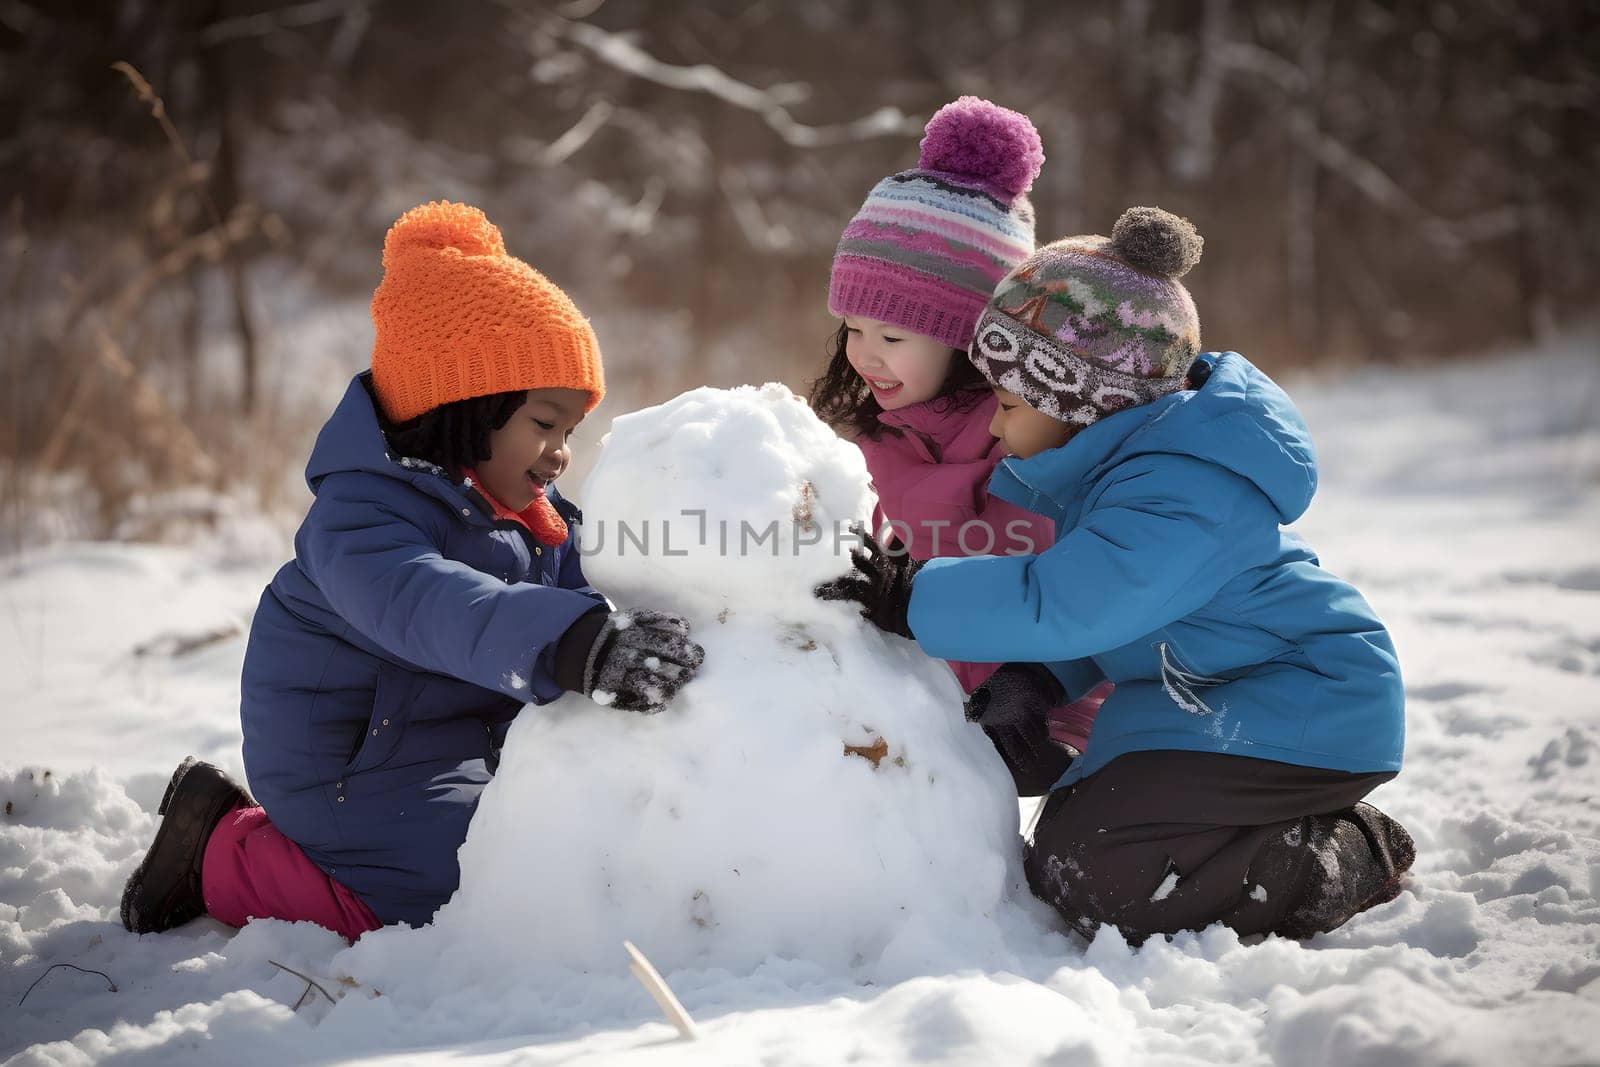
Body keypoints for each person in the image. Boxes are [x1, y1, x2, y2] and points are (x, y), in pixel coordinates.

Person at [817, 206, 1414, 942]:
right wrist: (1040, 681)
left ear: (1082, 402)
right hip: (1210, 693)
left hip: (1304, 706)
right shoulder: (1126, 471)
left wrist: (913, 596)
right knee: (1066, 842)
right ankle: (1257, 834)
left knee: (1100, 874)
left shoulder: (1182, 489)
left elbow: (1074, 601)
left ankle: (1343, 853)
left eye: (1006, 404)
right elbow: (1122, 614)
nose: (997, 428)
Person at [121, 201, 704, 940]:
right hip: (346, 768)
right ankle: (219, 852)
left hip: (444, 745)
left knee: (553, 836)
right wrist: (573, 644)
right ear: (466, 407)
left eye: (571, 431)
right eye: (544, 424)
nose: (561, 452)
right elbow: (431, 604)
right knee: (452, 888)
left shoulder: (528, 507)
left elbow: (590, 580)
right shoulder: (360, 518)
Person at [807, 96, 1105, 774]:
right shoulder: (866, 442)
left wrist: (1058, 717)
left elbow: (1064, 593)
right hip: (920, 709)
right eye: (852, 329)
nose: (864, 354)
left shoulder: (1028, 443)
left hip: (1040, 707)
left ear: (967, 339)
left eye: (891, 335)